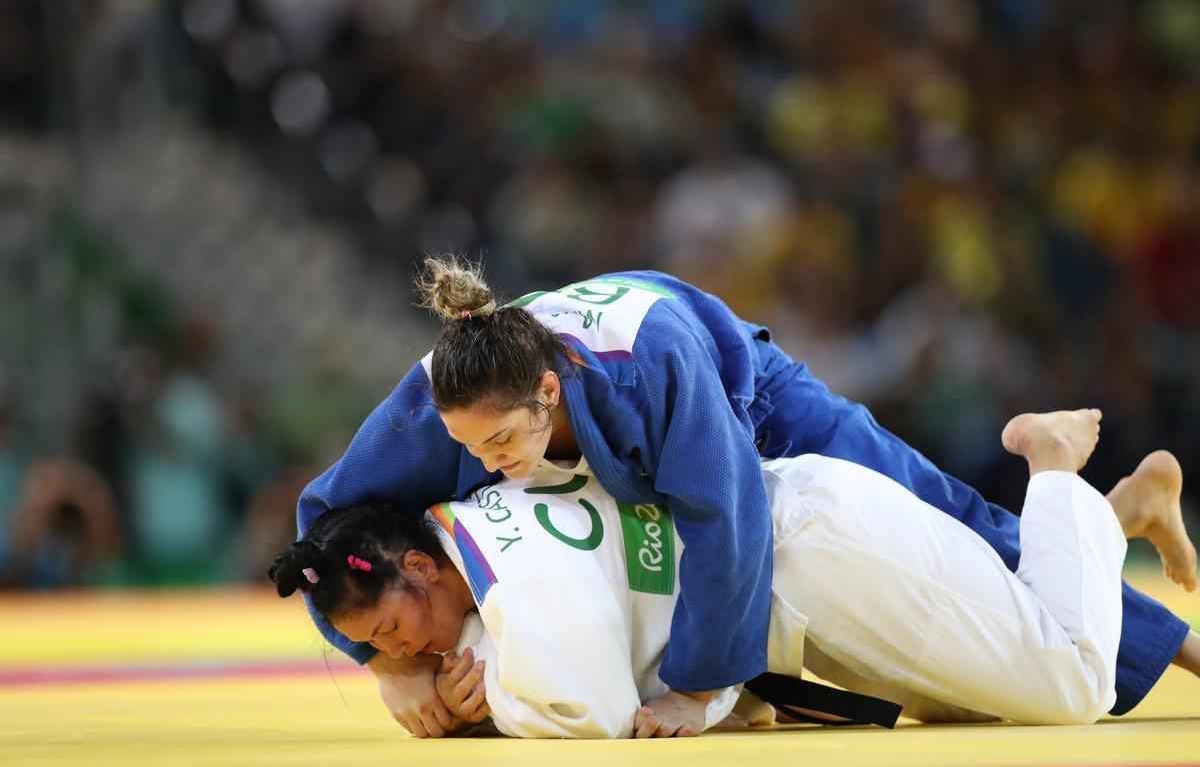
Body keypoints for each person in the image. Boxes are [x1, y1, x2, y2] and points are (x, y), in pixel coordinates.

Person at [296, 257, 1199, 736]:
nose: (486, 469)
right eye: (467, 451)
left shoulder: (648, 373)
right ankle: (1117, 514)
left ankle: (1185, 641)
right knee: (967, 616)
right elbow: (320, 537)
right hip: (691, 462)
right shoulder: (441, 402)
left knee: (957, 524)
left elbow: (729, 517)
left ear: (549, 394)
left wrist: (695, 687)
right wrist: (386, 662)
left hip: (759, 406)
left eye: (498, 446)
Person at [274, 410, 1195, 738]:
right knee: (982, 700)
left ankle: (1054, 467)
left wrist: (487, 705)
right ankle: (1124, 516)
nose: (413, 656)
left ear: (423, 571)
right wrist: (459, 667)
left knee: (1072, 680)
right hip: (799, 591)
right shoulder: (473, 539)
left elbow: (587, 707)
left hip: (820, 555)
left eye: (396, 636)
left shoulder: (515, 569)